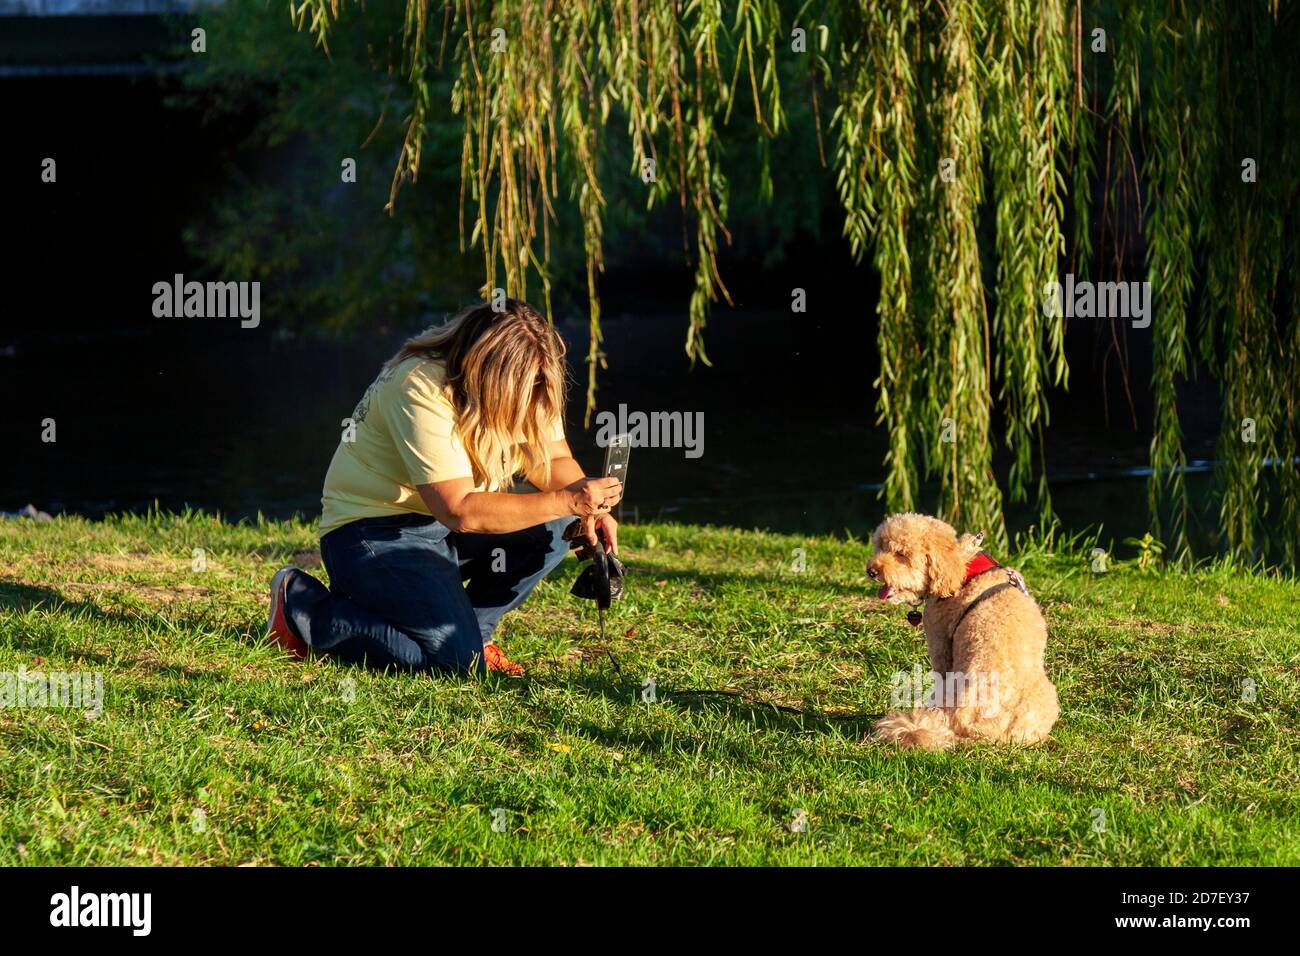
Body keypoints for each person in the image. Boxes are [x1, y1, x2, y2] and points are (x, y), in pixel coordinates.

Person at [265, 298, 622, 676]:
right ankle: (303, 605)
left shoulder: (530, 380)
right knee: (451, 663)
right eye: (521, 391)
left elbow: (553, 460)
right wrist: (567, 499)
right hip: (371, 533)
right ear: (487, 373)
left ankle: (476, 637)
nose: (531, 399)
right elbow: (458, 510)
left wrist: (587, 504)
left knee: (555, 525)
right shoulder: (419, 386)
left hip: (438, 530)